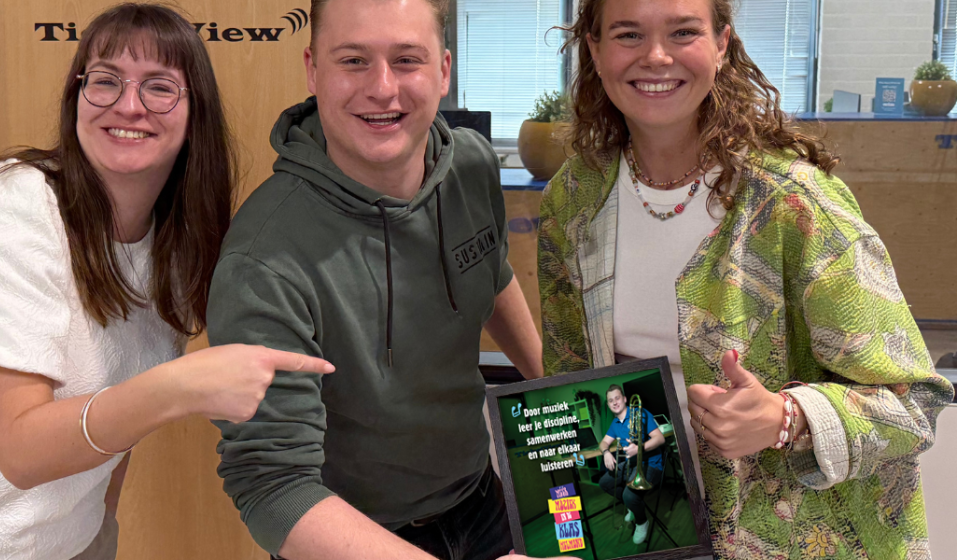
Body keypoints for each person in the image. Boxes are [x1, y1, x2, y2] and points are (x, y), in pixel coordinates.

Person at [0, 5, 332, 560]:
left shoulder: (176, 246)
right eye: (105, 81)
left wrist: (98, 534)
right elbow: (21, 450)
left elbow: (113, 436)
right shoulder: (10, 207)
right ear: (77, 95)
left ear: (197, 114)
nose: (128, 105)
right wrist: (180, 387)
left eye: (160, 87)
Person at [538, 0, 954, 558]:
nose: (655, 56)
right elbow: (568, 386)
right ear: (594, 48)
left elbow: (916, 403)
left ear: (721, 44)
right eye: (628, 34)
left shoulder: (794, 202)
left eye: (683, 32)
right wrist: (568, 533)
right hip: (653, 531)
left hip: (793, 538)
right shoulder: (573, 201)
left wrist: (787, 418)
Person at [204, 0, 544, 559]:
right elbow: (273, 491)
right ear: (314, 69)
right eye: (354, 60)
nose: (382, 88)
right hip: (353, 537)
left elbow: (491, 271)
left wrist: (553, 390)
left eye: (407, 59)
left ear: (443, 71)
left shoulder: (472, 166)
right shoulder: (263, 259)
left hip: (482, 498)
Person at [597, 384, 665, 545]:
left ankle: (642, 522)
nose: (614, 402)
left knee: (629, 495)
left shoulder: (641, 413)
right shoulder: (615, 423)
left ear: (625, 399)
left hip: (651, 464)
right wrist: (606, 453)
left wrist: (639, 448)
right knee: (605, 482)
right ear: (608, 404)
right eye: (610, 400)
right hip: (631, 464)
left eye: (617, 398)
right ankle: (632, 507)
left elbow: (660, 439)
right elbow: (603, 443)